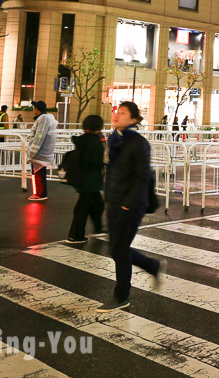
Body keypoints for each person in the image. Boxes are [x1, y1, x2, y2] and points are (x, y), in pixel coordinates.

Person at [96, 101, 166, 313]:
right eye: (117, 111)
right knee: (118, 247)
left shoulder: (138, 143)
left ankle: (121, 296)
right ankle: (151, 265)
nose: (117, 115)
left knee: (118, 249)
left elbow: (142, 176)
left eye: (123, 113)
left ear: (133, 120)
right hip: (115, 200)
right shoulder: (114, 138)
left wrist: (128, 203)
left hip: (130, 204)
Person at [67, 115, 106, 244]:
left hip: (83, 178)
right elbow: (95, 161)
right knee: (83, 208)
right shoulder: (95, 142)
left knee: (96, 204)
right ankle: (75, 235)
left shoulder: (84, 140)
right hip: (91, 180)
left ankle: (99, 228)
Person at [27, 101, 57, 201]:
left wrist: (32, 152)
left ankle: (39, 194)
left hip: (39, 152)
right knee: (39, 173)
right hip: (42, 151)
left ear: (37, 109)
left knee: (38, 174)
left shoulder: (43, 119)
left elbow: (39, 136)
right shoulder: (46, 118)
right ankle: (40, 193)